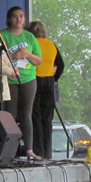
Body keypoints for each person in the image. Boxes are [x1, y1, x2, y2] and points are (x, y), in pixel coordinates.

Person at [0, 6, 42, 159]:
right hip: (10, 78)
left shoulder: (29, 36)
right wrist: (13, 55)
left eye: (21, 16)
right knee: (10, 115)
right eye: (15, 16)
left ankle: (29, 149)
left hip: (28, 79)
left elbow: (39, 60)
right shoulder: (3, 35)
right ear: (9, 19)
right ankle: (10, 150)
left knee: (26, 114)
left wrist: (29, 54)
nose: (18, 19)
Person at [24, 21, 64, 160]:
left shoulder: (31, 43)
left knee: (35, 117)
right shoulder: (51, 44)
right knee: (47, 119)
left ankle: (37, 151)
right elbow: (61, 64)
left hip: (34, 79)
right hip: (49, 81)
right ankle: (48, 152)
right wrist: (54, 78)